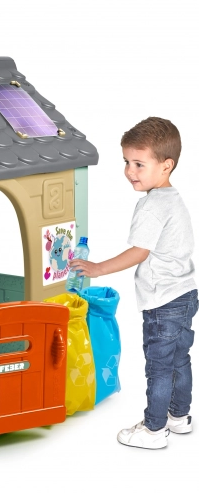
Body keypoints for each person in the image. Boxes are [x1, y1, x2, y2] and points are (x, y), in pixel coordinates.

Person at [69, 117, 197, 450]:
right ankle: (179, 416)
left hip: (162, 301)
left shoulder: (153, 205)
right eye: (126, 162)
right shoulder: (173, 198)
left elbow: (140, 252)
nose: (130, 171)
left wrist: (98, 268)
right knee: (179, 360)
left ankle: (154, 430)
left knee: (159, 367)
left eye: (139, 164)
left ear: (166, 165)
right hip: (185, 294)